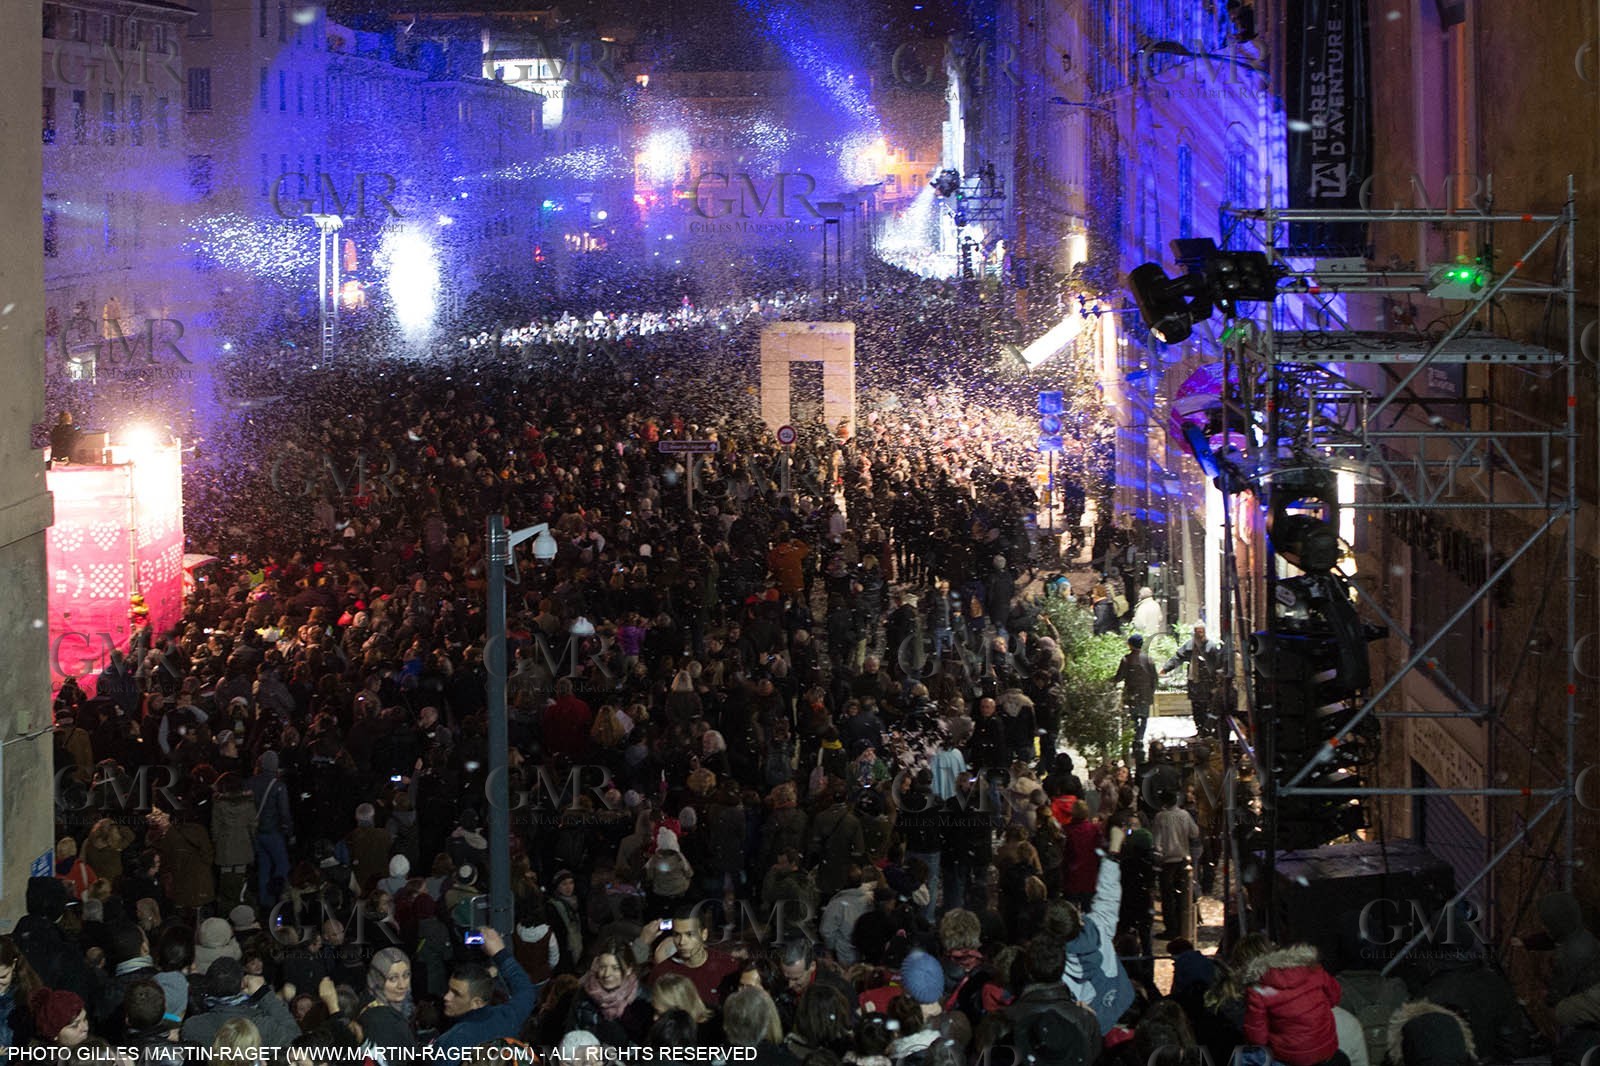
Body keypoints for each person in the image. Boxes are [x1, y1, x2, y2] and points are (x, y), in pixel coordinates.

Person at [432, 927, 536, 1053]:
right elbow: (525, 991)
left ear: (477, 1003)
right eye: (449, 989)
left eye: (456, 994)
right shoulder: (508, 1018)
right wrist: (500, 953)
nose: (446, 997)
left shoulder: (452, 1041)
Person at [1241, 943, 1346, 1066]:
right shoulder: (1315, 971)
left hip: (1288, 1057)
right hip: (1326, 1048)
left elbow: (1257, 1038)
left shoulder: (1258, 990)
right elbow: (1335, 998)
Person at [569, 940, 653, 1046]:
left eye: (615, 968)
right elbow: (573, 1037)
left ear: (629, 969)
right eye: (603, 967)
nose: (607, 974)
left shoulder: (644, 998)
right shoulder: (584, 995)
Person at [651, 910, 741, 1009]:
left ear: (704, 934)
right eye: (677, 935)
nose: (682, 942)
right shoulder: (662, 973)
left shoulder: (728, 966)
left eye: (689, 934)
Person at [1162, 624, 1226, 735]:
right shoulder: (1190, 645)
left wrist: (1217, 683)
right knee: (1197, 709)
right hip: (1194, 683)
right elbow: (1178, 657)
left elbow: (1217, 665)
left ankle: (1209, 732)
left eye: (1202, 631)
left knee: (1207, 708)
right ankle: (1200, 731)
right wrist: (1166, 668)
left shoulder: (1211, 646)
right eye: (1198, 632)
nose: (1200, 634)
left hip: (1207, 684)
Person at [357, 947, 418, 1051]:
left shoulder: (400, 1006)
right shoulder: (378, 1020)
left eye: (406, 975)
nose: (402, 985)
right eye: (393, 978)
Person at [1113, 634, 1157, 751]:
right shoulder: (1149, 660)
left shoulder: (1126, 659)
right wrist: (1150, 693)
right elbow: (1155, 679)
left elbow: (1118, 677)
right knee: (1143, 719)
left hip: (1131, 696)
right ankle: (1139, 740)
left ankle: (1133, 740)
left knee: (1132, 720)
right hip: (1145, 696)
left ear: (1130, 645)